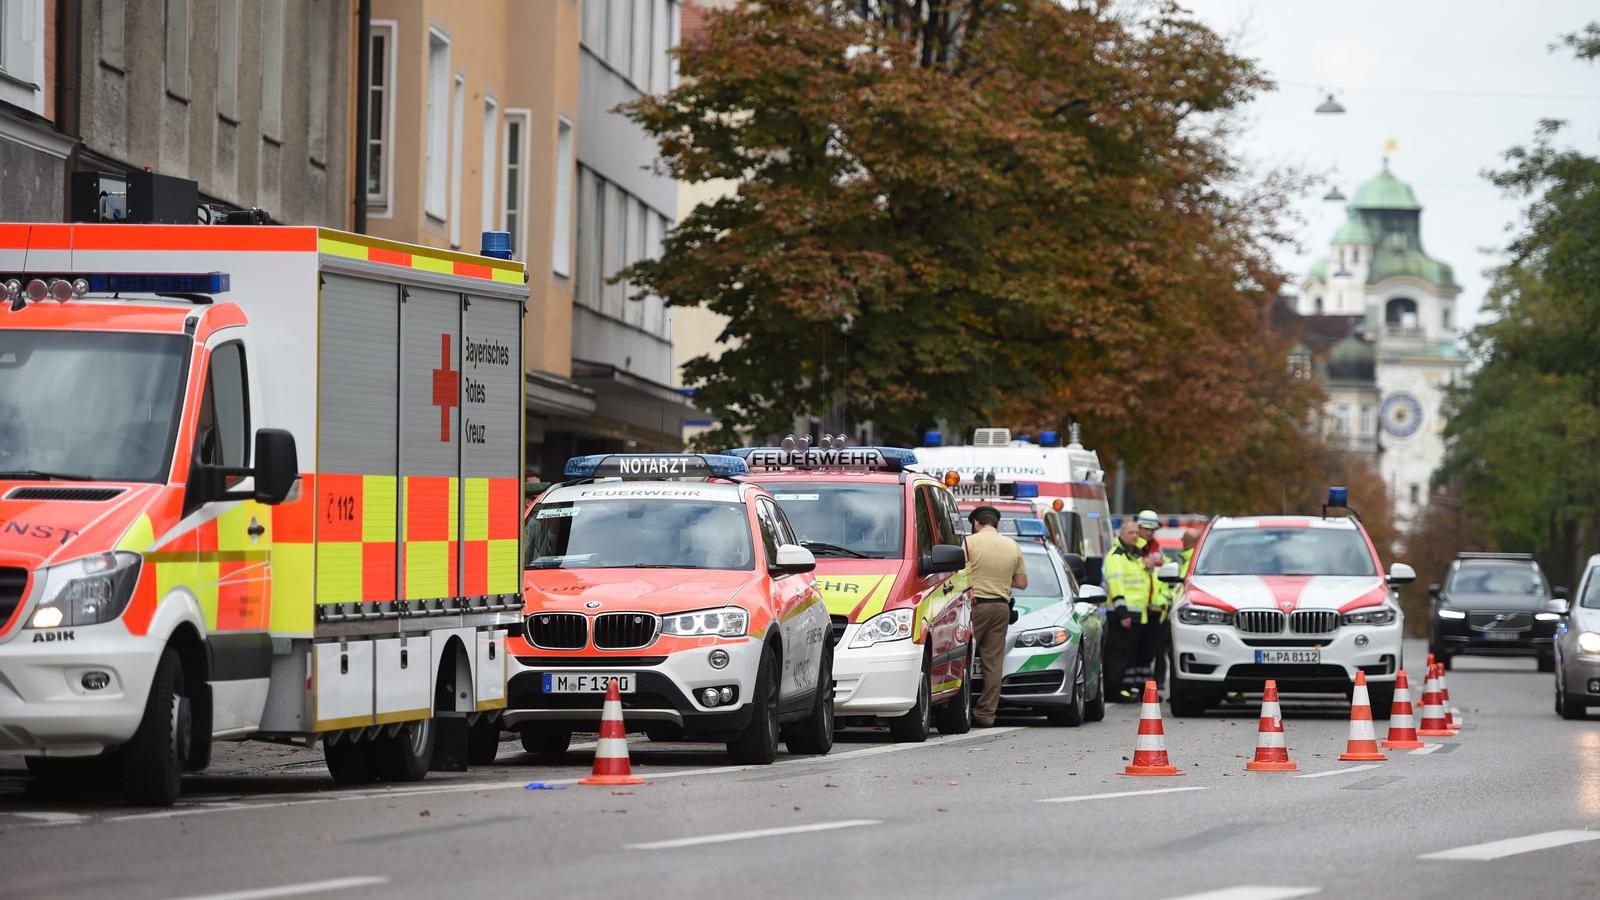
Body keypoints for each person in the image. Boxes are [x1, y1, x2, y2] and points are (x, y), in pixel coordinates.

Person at [965, 505, 1027, 728]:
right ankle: (986, 714)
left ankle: (960, 709)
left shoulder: (969, 543)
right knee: (993, 663)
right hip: (1001, 608)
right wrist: (999, 580)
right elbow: (1021, 583)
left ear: (976, 524)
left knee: (964, 658)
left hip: (975, 606)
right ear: (996, 524)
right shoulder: (1012, 545)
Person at [1102, 519, 1155, 701]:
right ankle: (1114, 691)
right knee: (1117, 655)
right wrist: (1123, 614)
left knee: (1128, 654)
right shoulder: (1116, 557)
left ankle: (1123, 688)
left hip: (1137, 614)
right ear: (1121, 534)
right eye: (1130, 533)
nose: (1135, 536)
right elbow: (1116, 587)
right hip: (1121, 614)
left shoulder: (1134, 555)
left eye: (1136, 533)